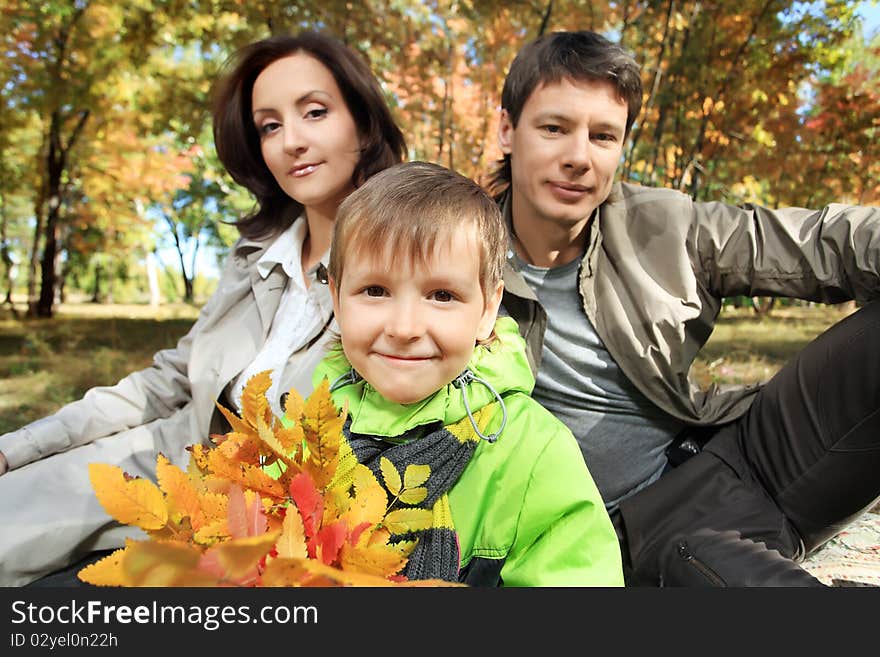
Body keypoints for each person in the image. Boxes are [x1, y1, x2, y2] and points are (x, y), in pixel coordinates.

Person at [0, 31, 406, 587]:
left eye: (314, 112)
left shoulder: (403, 264)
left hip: (270, 519)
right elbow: (165, 382)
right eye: (270, 125)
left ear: (362, 121)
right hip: (172, 454)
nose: (291, 140)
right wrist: (16, 449)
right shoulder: (253, 259)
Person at [490, 30, 880, 586]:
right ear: (507, 129)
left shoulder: (662, 224)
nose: (578, 157)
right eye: (554, 128)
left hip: (739, 454)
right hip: (643, 532)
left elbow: (819, 242)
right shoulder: (458, 251)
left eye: (603, 136)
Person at [316, 160, 623, 585]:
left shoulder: (531, 452)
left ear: (488, 309)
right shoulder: (313, 422)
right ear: (337, 297)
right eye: (375, 291)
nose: (404, 328)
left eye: (442, 295)